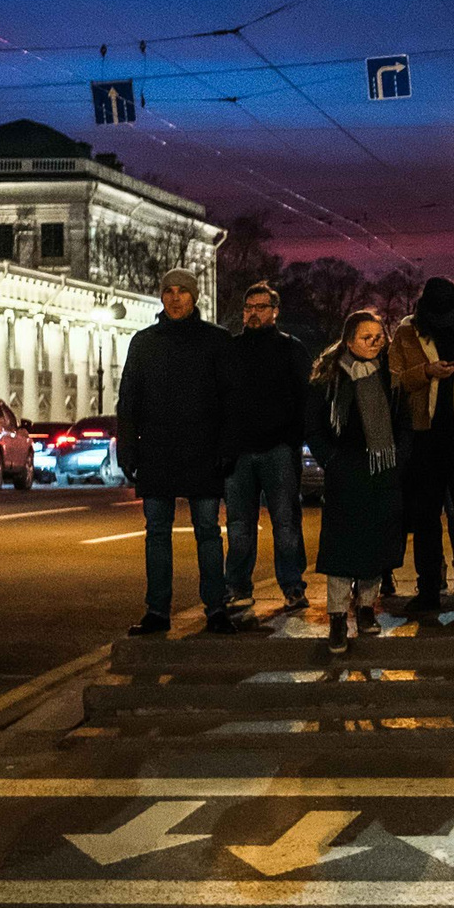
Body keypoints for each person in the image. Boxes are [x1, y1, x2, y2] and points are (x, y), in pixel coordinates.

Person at [115, 266, 233, 635]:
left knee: (208, 532)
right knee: (157, 533)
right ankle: (157, 611)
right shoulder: (144, 342)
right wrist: (127, 448)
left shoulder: (216, 341)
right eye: (169, 291)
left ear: (194, 296)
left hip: (203, 450)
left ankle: (216, 609)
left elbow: (230, 400)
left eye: (183, 291)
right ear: (161, 296)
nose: (176, 297)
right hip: (157, 450)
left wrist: (227, 447)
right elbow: (128, 399)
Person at [385, 276, 454, 615]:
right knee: (425, 519)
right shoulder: (407, 333)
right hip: (423, 439)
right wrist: (426, 371)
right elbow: (392, 381)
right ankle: (429, 588)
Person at [304, 309, 406, 653]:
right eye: (367, 337)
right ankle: (336, 618)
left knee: (375, 544)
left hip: (382, 473)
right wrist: (331, 460)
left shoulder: (391, 377)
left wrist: (398, 459)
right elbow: (314, 426)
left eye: (379, 336)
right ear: (349, 340)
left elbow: (404, 423)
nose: (375, 343)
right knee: (341, 547)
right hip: (345, 474)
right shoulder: (329, 378)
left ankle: (365, 609)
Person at [220, 280, 313, 618]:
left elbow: (306, 398)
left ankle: (292, 587)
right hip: (239, 452)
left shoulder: (291, 349)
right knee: (240, 525)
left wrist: (292, 439)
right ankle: (239, 588)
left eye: (261, 307)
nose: (254, 313)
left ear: (275, 311)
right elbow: (219, 399)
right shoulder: (230, 349)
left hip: (278, 450)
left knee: (286, 523)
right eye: (249, 307)